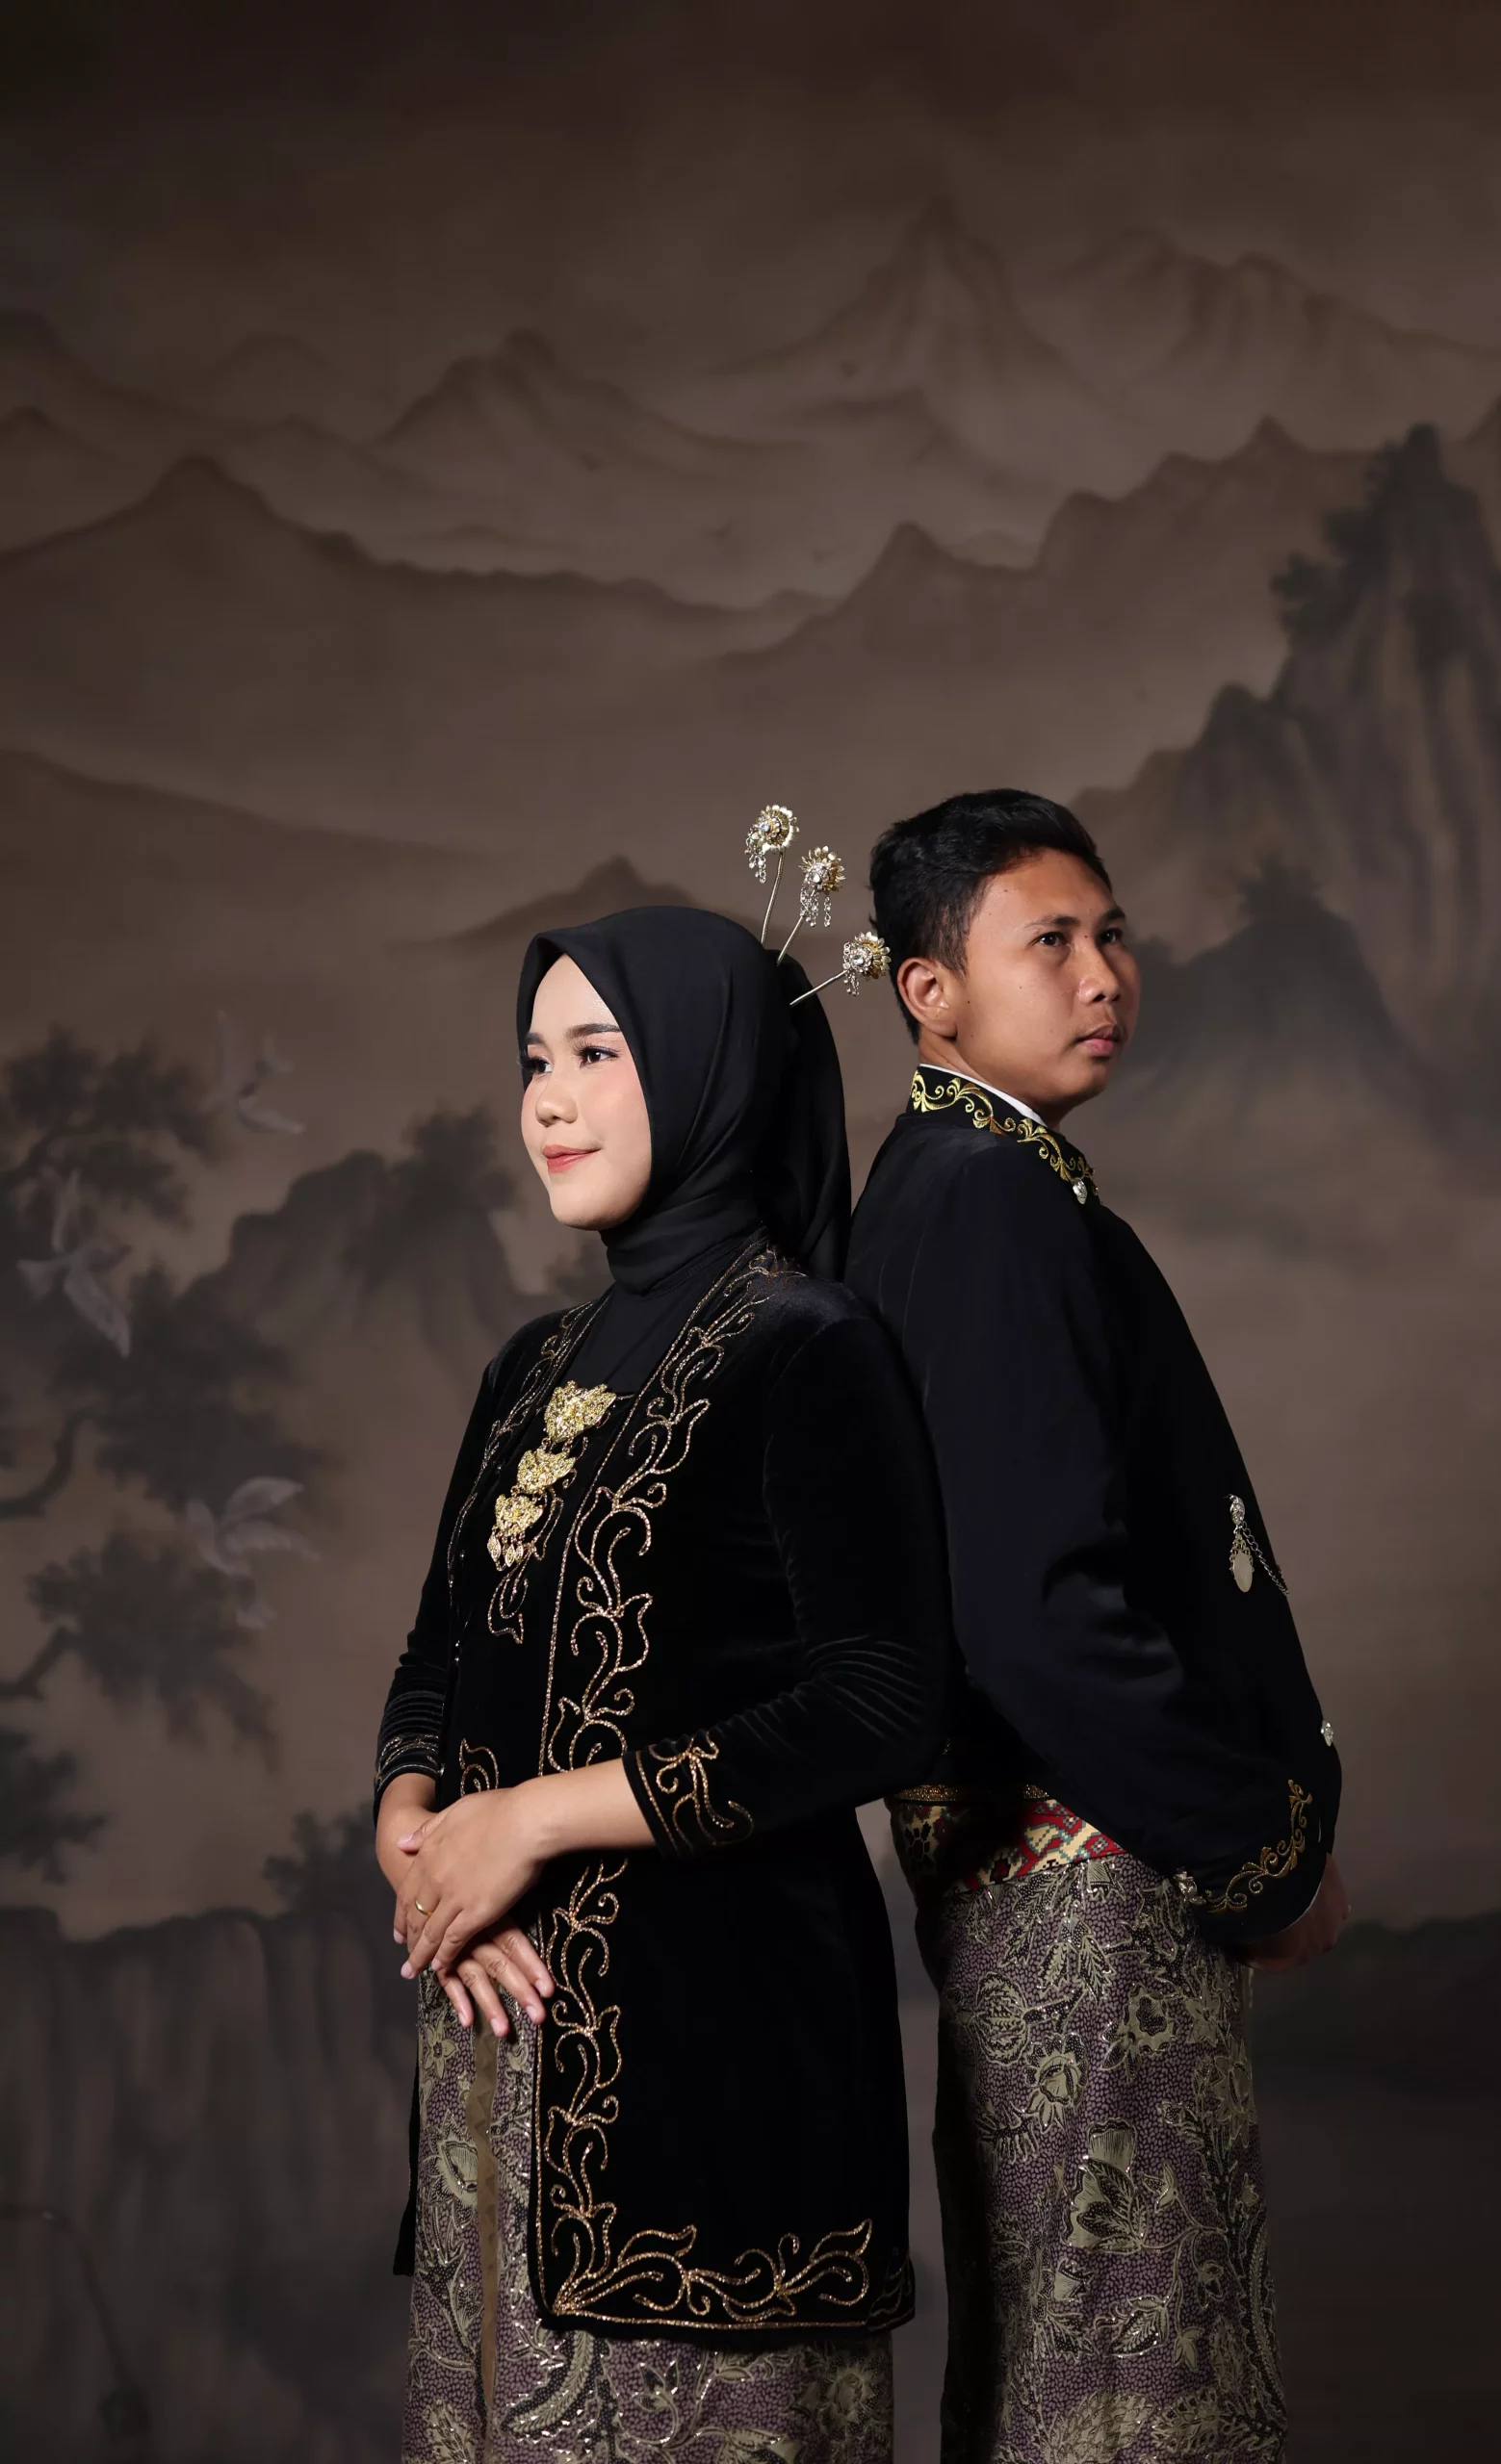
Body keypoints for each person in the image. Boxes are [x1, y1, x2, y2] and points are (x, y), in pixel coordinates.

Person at [374, 905, 950, 2464]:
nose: (547, 1101)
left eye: (594, 1055)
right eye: (532, 1062)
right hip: (493, 2064)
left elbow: (886, 1699)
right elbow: (438, 1653)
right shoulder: (527, 1368)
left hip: (717, 2072)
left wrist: (532, 1821)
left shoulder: (808, 1347)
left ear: (713, 1071)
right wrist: (415, 1830)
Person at [845, 792, 1347, 2464]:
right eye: (1047, 941)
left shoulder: (952, 1180)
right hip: (1092, 1874)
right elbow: (1034, 1613)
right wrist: (1255, 1847)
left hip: (1053, 1878)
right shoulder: (988, 1194)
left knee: (1071, 2362)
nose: (1101, 974)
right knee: (1131, 2394)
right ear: (928, 992)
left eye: (1111, 934)